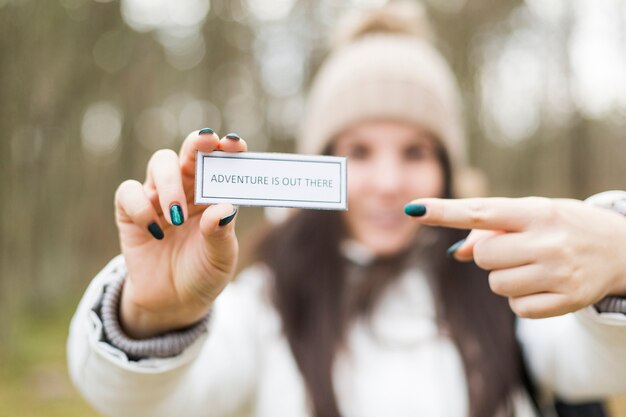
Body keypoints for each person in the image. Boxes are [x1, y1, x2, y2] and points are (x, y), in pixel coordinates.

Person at [67, 3, 626, 417]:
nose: (386, 183)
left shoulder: (503, 280)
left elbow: (601, 363)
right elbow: (144, 402)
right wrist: (156, 316)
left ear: (448, 169)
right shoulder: (266, 297)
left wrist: (617, 260)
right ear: (319, 163)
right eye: (358, 152)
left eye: (415, 151)